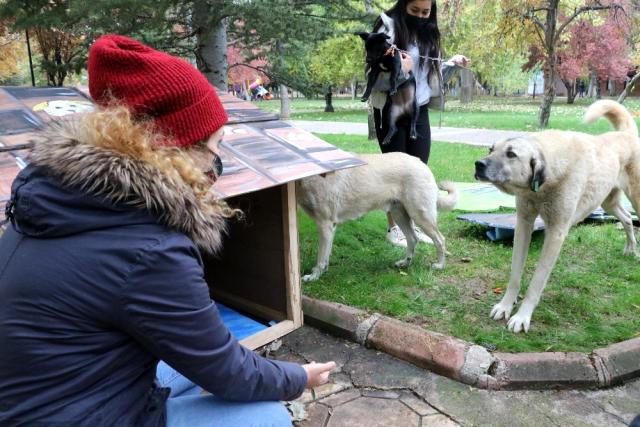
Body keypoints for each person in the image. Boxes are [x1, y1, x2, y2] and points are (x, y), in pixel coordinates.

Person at [0, 34, 335, 426]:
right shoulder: (150, 251)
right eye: (215, 144)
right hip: (76, 415)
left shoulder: (59, 199)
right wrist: (297, 378)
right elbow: (226, 371)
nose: (217, 161)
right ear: (180, 148)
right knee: (265, 415)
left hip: (44, 397)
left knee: (185, 365)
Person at [368, 0, 470, 247]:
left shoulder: (428, 34)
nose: (421, 17)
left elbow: (427, 74)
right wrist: (398, 70)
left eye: (426, 12)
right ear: (403, 6)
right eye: (415, 11)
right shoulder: (386, 29)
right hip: (391, 110)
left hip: (418, 111)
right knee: (395, 174)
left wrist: (451, 63)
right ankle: (394, 229)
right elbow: (375, 79)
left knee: (417, 170)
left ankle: (413, 225)